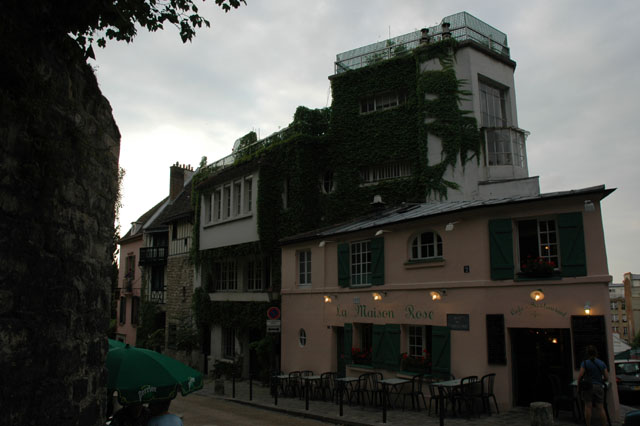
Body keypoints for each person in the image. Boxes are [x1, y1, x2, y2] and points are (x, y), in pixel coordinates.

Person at [577, 345, 609, 426]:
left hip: (588, 387)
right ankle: (604, 424)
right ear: (596, 353)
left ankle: (588, 424)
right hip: (598, 386)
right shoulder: (602, 363)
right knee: (601, 408)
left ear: (587, 353)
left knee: (588, 407)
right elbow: (606, 377)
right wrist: (601, 380)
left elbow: (580, 376)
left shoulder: (584, 363)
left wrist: (578, 388)